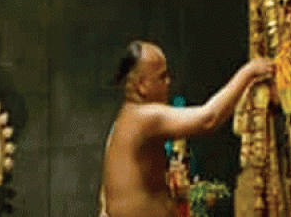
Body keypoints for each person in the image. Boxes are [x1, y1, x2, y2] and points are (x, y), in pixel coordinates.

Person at [98, 40, 275, 217]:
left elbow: (107, 198)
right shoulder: (144, 117)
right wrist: (249, 72)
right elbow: (208, 119)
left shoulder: (122, 121)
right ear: (142, 85)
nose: (168, 82)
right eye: (162, 76)